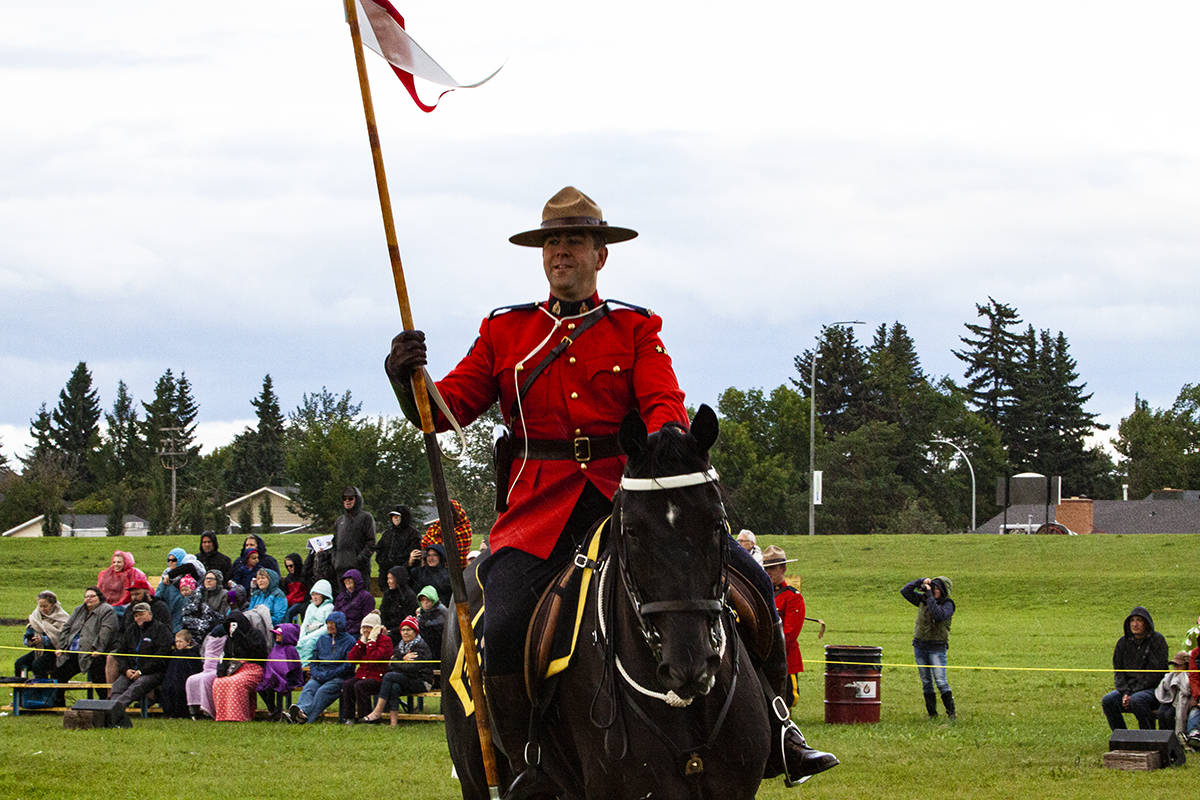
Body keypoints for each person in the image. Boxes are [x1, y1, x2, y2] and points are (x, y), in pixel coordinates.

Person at [384, 186, 836, 788]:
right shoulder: (505, 333)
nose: (561, 252)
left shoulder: (634, 328)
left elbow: (662, 404)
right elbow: (444, 412)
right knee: (505, 624)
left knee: (748, 583)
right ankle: (529, 764)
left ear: (601, 254)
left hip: (626, 502)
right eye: (551, 242)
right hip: (538, 514)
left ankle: (780, 727)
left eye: (574, 240)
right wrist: (405, 378)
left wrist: (670, 444)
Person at [359, 615, 435, 726]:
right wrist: (402, 660)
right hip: (405, 679)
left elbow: (411, 668)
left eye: (408, 629)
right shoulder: (400, 645)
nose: (405, 632)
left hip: (421, 681)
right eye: (403, 630)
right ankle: (393, 723)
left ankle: (377, 711)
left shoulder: (420, 646)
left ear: (415, 631)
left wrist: (396, 661)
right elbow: (390, 665)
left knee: (389, 677)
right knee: (394, 686)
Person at [1102, 605, 1168, 731]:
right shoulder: (1122, 643)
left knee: (1137, 700)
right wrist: (1125, 692)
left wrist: (1133, 693)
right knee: (1108, 700)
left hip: (1154, 689)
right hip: (1129, 690)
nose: (1135, 624)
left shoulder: (1157, 640)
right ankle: (1122, 738)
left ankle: (1148, 737)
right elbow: (1118, 672)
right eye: (1132, 621)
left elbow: (1156, 674)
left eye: (1139, 620)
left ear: (1146, 623)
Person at [901, 576, 957, 720]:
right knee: (926, 682)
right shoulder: (923, 600)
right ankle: (932, 714)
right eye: (933, 587)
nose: (934, 590)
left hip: (937, 648)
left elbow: (937, 615)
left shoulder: (948, 604)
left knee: (940, 681)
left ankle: (951, 713)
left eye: (937, 588)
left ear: (943, 590)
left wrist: (930, 596)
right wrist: (921, 581)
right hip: (920, 646)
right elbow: (905, 591)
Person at [285, 611, 356, 724]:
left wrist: (330, 674)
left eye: (332, 624)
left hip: (339, 677)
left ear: (339, 625)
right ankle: (300, 711)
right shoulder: (322, 639)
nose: (329, 626)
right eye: (327, 624)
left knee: (323, 692)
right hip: (320, 674)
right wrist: (316, 673)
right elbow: (314, 660)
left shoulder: (350, 641)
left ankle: (303, 718)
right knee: (309, 687)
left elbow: (348, 665)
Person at [762, 545, 811, 707]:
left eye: (773, 568)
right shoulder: (762, 595)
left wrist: (767, 648)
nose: (768, 572)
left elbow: (789, 634)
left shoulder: (792, 597)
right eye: (766, 568)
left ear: (783, 568)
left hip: (784, 658)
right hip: (761, 657)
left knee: (786, 698)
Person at [108, 602, 173, 709]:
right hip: (131, 671)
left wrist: (142, 671)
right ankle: (111, 710)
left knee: (137, 686)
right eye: (136, 615)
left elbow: (162, 655)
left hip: (153, 672)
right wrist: (126, 670)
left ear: (150, 614)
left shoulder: (161, 629)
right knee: (117, 686)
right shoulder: (131, 630)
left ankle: (115, 708)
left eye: (142, 614)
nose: (138, 618)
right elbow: (121, 653)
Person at [52, 587, 118, 686]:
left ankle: (104, 700)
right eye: (86, 596)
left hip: (92, 654)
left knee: (98, 676)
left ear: (99, 597)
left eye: (92, 596)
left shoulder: (107, 610)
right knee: (57, 674)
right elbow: (66, 628)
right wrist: (61, 647)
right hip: (72, 652)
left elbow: (106, 631)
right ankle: (58, 701)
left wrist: (98, 649)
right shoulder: (78, 610)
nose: (89, 599)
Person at [212, 610, 269, 721]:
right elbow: (225, 656)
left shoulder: (255, 634)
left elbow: (258, 653)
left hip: (253, 668)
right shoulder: (229, 640)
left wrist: (240, 636)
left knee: (236, 683)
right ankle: (223, 716)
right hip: (234, 669)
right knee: (218, 682)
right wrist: (221, 670)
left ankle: (238, 716)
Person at [340, 611, 393, 724]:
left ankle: (365, 717)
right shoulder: (363, 641)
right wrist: (360, 643)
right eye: (363, 627)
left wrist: (371, 643)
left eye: (368, 628)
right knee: (348, 685)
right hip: (362, 674)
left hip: (378, 677)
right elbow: (352, 658)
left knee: (361, 686)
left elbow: (374, 659)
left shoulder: (385, 641)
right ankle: (348, 717)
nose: (365, 631)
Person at [15, 591, 69, 678]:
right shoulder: (35, 617)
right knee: (19, 663)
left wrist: (43, 640)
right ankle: (21, 690)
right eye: (40, 606)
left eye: (45, 606)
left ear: (53, 605)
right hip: (39, 650)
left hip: (56, 652)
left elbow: (62, 639)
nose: (42, 609)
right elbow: (27, 636)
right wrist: (29, 641)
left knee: (38, 665)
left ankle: (42, 690)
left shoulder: (63, 618)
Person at [257, 623, 303, 721]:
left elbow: (292, 667)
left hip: (288, 678)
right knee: (262, 688)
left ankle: (277, 713)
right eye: (276, 634)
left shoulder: (290, 650)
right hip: (274, 677)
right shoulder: (276, 648)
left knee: (271, 686)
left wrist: (279, 674)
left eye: (279, 634)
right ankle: (274, 711)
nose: (276, 636)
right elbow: (270, 663)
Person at [333, 487, 376, 586]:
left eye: (350, 498)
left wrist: (359, 560)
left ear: (357, 499)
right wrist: (335, 561)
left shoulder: (366, 518)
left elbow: (371, 542)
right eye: (344, 498)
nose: (347, 501)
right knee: (343, 599)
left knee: (360, 599)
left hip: (359, 570)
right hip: (341, 569)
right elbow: (334, 544)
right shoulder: (339, 520)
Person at [186, 626, 228, 720]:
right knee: (191, 680)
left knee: (206, 679)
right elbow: (203, 654)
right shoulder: (208, 638)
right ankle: (194, 710)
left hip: (217, 669)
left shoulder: (226, 640)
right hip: (207, 669)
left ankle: (208, 710)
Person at [376, 504, 422, 590]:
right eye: (393, 516)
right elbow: (379, 554)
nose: (395, 518)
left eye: (398, 516)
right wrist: (385, 566)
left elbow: (414, 559)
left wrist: (406, 564)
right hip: (386, 578)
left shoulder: (413, 534)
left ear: (404, 517)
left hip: (406, 578)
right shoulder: (387, 534)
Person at [161, 629, 203, 718]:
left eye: (180, 641)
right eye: (176, 642)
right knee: (167, 688)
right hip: (172, 679)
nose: (178, 644)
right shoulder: (174, 654)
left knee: (179, 689)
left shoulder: (192, 655)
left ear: (188, 642)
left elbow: (194, 670)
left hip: (185, 680)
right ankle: (169, 712)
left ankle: (181, 713)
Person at [181, 571, 230, 643]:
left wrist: (207, 611)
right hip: (196, 628)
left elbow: (223, 616)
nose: (208, 580)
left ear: (218, 581)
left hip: (214, 630)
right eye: (206, 578)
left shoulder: (225, 594)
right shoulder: (198, 593)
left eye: (211, 578)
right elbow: (188, 611)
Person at [296, 579, 336, 666]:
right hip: (308, 633)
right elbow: (304, 624)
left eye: (317, 594)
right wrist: (301, 637)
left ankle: (305, 666)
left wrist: (307, 638)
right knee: (299, 644)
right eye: (313, 594)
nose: (314, 597)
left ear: (324, 595)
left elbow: (326, 628)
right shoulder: (310, 607)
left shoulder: (329, 607)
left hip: (321, 636)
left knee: (309, 644)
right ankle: (299, 667)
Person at [1155, 650, 1192, 737]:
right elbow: (1163, 688)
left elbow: (1187, 690)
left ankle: (1174, 739)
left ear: (1186, 666)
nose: (1175, 668)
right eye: (1174, 665)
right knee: (1161, 713)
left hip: (1182, 701)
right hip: (1169, 699)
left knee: (1169, 715)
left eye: (1178, 665)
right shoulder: (1170, 676)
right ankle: (1162, 738)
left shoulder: (1189, 676)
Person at [407, 543, 452, 607]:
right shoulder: (419, 572)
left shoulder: (448, 574)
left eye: (434, 555)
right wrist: (410, 563)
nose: (431, 558)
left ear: (441, 557)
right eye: (428, 555)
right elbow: (406, 580)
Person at [333, 568, 375, 635]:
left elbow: (367, 619)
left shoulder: (366, 597)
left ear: (356, 581)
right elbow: (335, 614)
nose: (348, 585)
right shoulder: (341, 597)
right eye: (346, 582)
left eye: (350, 581)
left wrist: (351, 629)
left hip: (357, 632)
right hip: (340, 631)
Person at [380, 566, 418, 638]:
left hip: (402, 632)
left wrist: (392, 631)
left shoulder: (409, 596)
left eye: (391, 578)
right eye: (388, 578)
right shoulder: (387, 594)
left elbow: (408, 618)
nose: (388, 581)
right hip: (386, 629)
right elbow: (383, 612)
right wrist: (383, 627)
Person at [414, 585, 447, 659]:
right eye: (422, 600)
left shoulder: (441, 611)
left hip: (439, 649)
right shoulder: (422, 612)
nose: (425, 603)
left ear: (433, 599)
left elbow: (431, 626)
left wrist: (419, 621)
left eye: (428, 600)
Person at [279, 553, 310, 624]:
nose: (289, 568)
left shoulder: (305, 575)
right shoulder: (289, 578)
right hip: (292, 601)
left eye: (291, 566)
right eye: (287, 566)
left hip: (303, 602)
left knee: (290, 612)